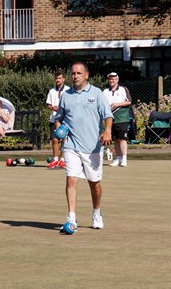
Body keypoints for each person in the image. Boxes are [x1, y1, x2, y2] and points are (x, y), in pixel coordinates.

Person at [54, 62, 113, 231]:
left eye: (79, 73)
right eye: (73, 73)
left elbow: (108, 116)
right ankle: (71, 218)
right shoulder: (65, 95)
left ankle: (96, 213)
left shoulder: (97, 93)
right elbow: (59, 117)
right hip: (71, 145)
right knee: (71, 179)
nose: (75, 76)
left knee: (94, 183)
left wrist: (107, 131)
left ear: (86, 75)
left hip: (92, 146)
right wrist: (60, 130)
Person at [103, 72, 132, 167]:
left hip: (122, 118)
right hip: (110, 118)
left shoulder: (123, 89)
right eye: (110, 79)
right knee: (115, 139)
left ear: (117, 80)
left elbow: (129, 102)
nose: (111, 81)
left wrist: (117, 104)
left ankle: (124, 158)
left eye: (113, 79)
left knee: (122, 139)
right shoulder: (105, 91)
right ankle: (118, 158)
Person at [46, 70, 70, 168]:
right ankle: (55, 159)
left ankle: (63, 160)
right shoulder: (52, 91)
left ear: (63, 79)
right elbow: (48, 104)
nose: (58, 80)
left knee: (64, 139)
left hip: (64, 119)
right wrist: (53, 107)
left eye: (59, 78)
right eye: (56, 78)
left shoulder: (68, 90)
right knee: (54, 139)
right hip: (53, 118)